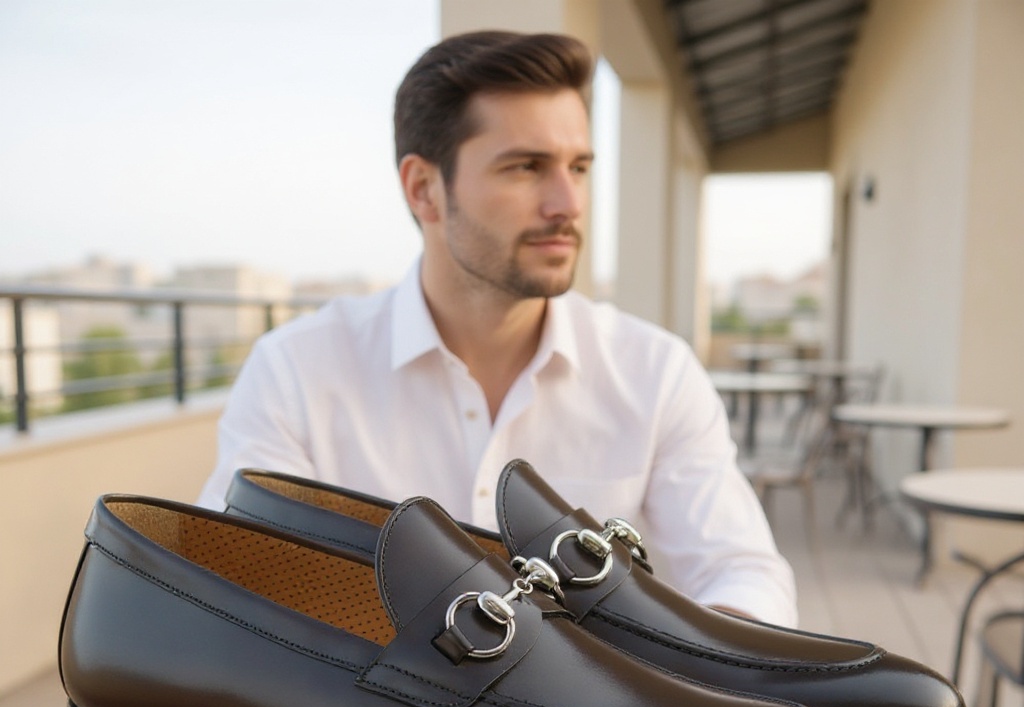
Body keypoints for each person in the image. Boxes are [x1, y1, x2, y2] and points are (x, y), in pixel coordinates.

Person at [198, 30, 797, 626]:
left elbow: (742, 572)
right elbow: (233, 586)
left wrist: (712, 667)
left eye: (579, 166)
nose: (568, 202)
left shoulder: (654, 371)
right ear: (424, 189)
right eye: (526, 167)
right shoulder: (297, 372)